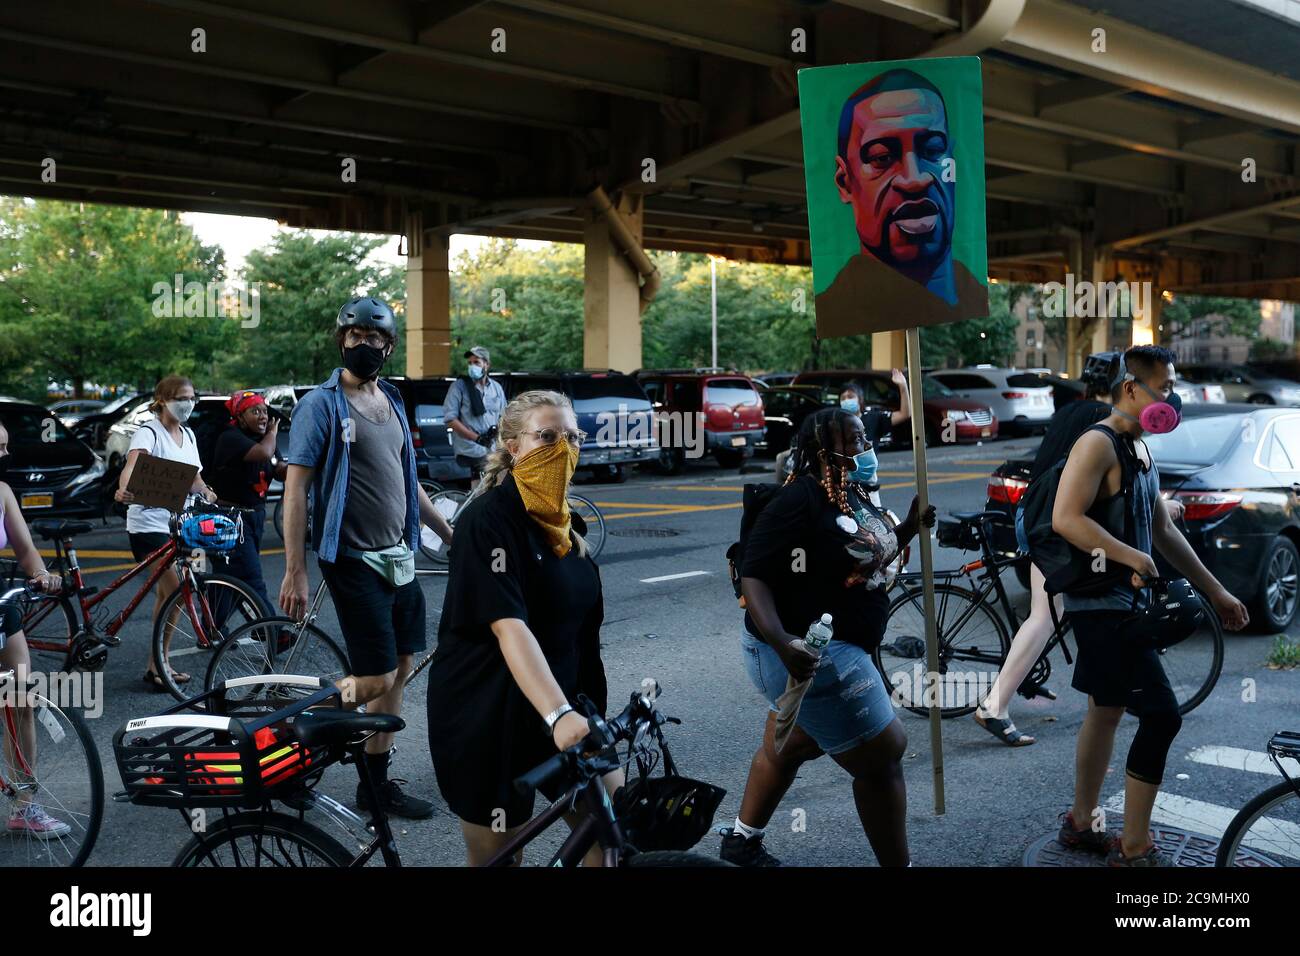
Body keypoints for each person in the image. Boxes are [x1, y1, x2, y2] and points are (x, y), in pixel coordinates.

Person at [1052, 345, 1248, 866]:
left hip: (1123, 601)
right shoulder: (1096, 444)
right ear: (1132, 389)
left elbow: (1163, 530)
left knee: (1106, 708)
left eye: (1174, 386)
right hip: (1101, 603)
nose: (1172, 397)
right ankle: (1134, 846)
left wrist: (1216, 591)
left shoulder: (1140, 448)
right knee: (1161, 716)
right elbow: (1066, 518)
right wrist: (1128, 556)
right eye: (1164, 387)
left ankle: (1080, 821)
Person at [722, 407, 934, 866]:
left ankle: (741, 842)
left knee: (795, 740)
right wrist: (782, 641)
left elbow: (858, 561)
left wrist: (906, 529)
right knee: (882, 756)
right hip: (809, 651)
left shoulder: (849, 492)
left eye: (865, 438)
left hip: (835, 644)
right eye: (856, 439)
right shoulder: (798, 499)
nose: (865, 447)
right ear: (825, 449)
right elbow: (753, 575)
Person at [278, 296, 454, 820]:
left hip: (397, 555)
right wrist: (294, 568)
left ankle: (374, 786)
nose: (364, 345)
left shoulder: (393, 401)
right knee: (374, 679)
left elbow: (407, 480)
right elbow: (295, 490)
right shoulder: (321, 404)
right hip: (351, 559)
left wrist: (447, 533)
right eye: (354, 336)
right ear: (342, 341)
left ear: (389, 345)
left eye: (374, 338)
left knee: (399, 669)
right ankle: (287, 739)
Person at [426, 390, 615, 866]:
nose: (563, 448)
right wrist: (559, 716)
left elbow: (580, 634)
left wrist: (588, 711)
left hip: (562, 705)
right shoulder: (486, 522)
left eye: (572, 437)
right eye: (547, 436)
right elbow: (510, 627)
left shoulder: (566, 528)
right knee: (502, 858)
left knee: (613, 837)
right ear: (513, 447)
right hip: (491, 717)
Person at [973, 356, 1186, 747]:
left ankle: (1023, 687)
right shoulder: (1105, 426)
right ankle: (994, 704)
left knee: (1055, 616)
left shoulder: (1072, 411)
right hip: (1054, 527)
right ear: (1126, 387)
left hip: (1031, 515)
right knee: (1045, 613)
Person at [817, 68, 987, 332]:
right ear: (844, 182)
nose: (915, 179)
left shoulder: (974, 299)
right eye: (881, 157)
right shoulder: (834, 309)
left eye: (932, 151)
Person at [114, 375, 218, 691]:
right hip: (148, 526)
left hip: (177, 525)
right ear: (163, 400)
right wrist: (124, 488)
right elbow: (132, 466)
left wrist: (207, 491)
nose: (187, 404)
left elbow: (195, 478)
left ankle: (157, 663)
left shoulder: (188, 434)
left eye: (191, 397)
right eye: (180, 398)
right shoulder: (149, 432)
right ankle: (159, 663)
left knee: (168, 594)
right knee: (175, 592)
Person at [0, 422, 68, 838]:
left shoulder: (2, 492)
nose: (5, 456)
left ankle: (26, 803)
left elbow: (24, 549)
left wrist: (43, 573)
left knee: (20, 699)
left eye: (6, 447)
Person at [207, 389, 284, 609]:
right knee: (251, 576)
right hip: (231, 518)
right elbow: (263, 454)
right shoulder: (230, 438)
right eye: (255, 411)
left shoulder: (263, 439)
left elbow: (275, 467)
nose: (263, 416)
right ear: (239, 417)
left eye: (264, 411)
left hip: (254, 516)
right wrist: (273, 432)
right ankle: (272, 631)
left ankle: (213, 630)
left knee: (228, 578)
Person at [837, 369, 911, 506]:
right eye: (843, 398)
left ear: (860, 399)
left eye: (851, 396)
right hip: (843, 489)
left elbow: (905, 414)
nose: (847, 400)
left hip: (869, 489)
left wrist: (902, 386)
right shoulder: (835, 423)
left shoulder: (873, 418)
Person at [444, 345, 506, 489]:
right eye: (470, 363)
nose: (472, 366)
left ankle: (473, 500)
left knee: (491, 482)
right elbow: (450, 420)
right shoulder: (459, 386)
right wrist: (478, 439)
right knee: (495, 477)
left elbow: (504, 416)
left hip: (492, 446)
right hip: (470, 447)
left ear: (487, 364)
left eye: (476, 362)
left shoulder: (496, 388)